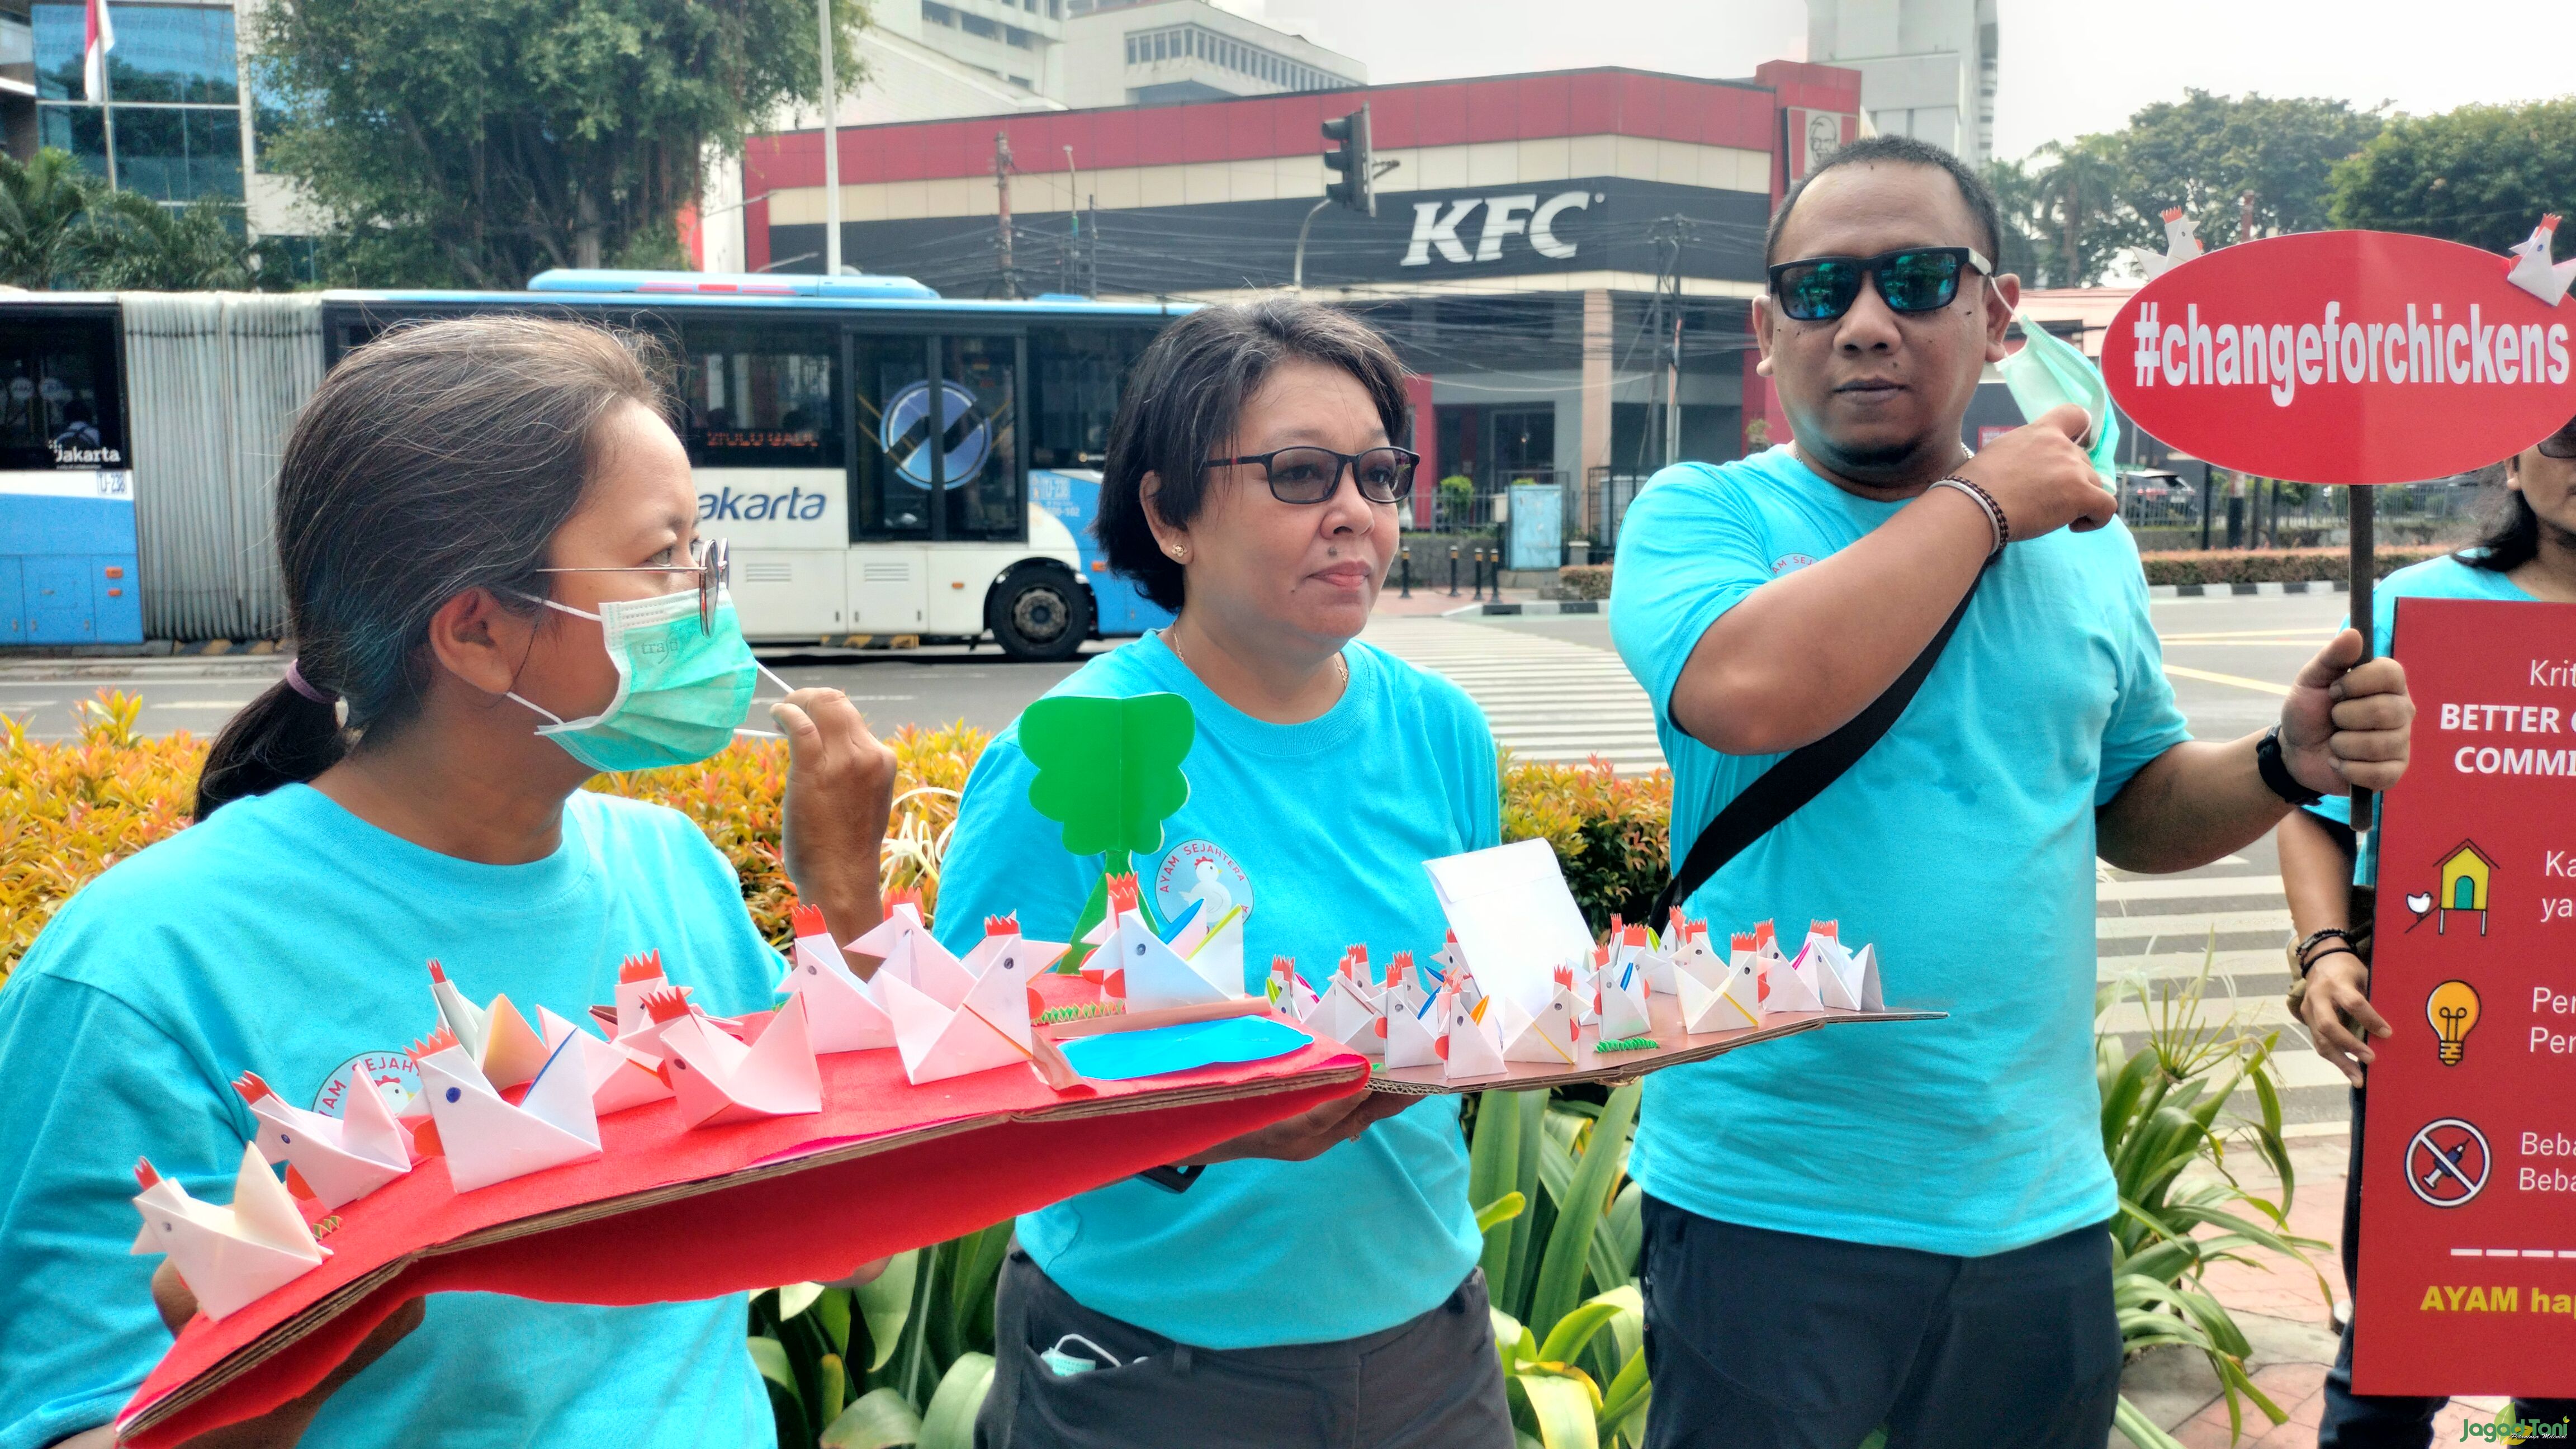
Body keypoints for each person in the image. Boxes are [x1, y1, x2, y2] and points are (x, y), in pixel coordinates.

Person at [1607, 134, 2417, 1448]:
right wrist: (1985, 499)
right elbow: (1748, 692)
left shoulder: (2087, 553)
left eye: (1917, 281)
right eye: (1820, 292)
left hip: (2033, 1212)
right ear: (1769, 334)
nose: (1866, 324)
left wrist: (2286, 764)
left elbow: (2133, 805)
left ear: (1997, 317)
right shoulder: (1704, 516)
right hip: (1769, 1207)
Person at [0, 316, 898, 1449]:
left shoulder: (672, 871)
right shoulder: (136, 976)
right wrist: (298, 1348)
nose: (707, 597)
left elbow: (846, 1228)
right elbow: (77, 1420)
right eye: (664, 554)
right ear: (477, 631)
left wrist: (844, 896)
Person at [928, 298, 1513, 1448]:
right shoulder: (1074, 747)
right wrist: (1202, 1130)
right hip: (1150, 1373)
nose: (1354, 513)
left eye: (1378, 476)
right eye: (1300, 474)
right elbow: (962, 1088)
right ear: (1170, 513)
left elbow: (1493, 997)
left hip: (1429, 1350)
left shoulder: (1443, 730)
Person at [2285, 412, 2576, 1448]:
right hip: (2443, 1063)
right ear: (2512, 450)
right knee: (2394, 1369)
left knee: (2565, 1389)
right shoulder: (2414, 607)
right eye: (2569, 432)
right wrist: (2326, 957)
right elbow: (2317, 810)